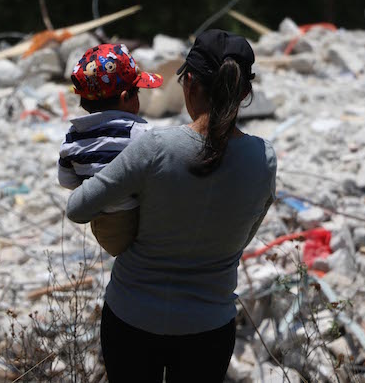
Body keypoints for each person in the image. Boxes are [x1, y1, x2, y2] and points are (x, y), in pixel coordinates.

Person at [66, 29, 277, 382]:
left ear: (189, 82)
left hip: (132, 319)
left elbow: (78, 208)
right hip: (209, 328)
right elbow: (243, 238)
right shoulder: (264, 159)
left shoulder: (155, 148)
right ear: (244, 92)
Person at [58, 43, 163, 256]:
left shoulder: (73, 137)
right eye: (138, 92)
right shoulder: (140, 133)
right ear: (126, 97)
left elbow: (66, 181)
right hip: (136, 223)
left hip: (104, 230)